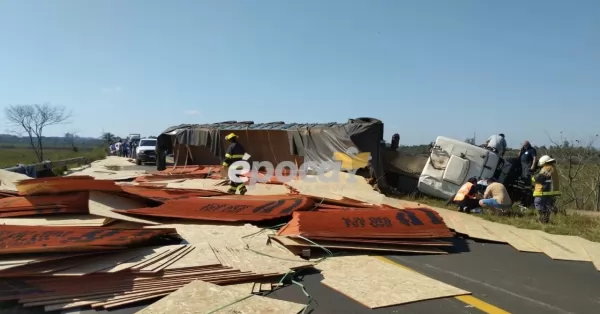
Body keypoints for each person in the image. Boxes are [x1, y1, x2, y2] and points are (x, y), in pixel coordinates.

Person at [532, 155, 561, 223]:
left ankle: (543, 219)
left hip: (543, 191)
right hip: (549, 191)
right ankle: (545, 220)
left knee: (538, 203)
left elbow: (539, 178)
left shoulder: (547, 167)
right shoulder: (552, 167)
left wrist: (531, 176)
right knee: (546, 206)